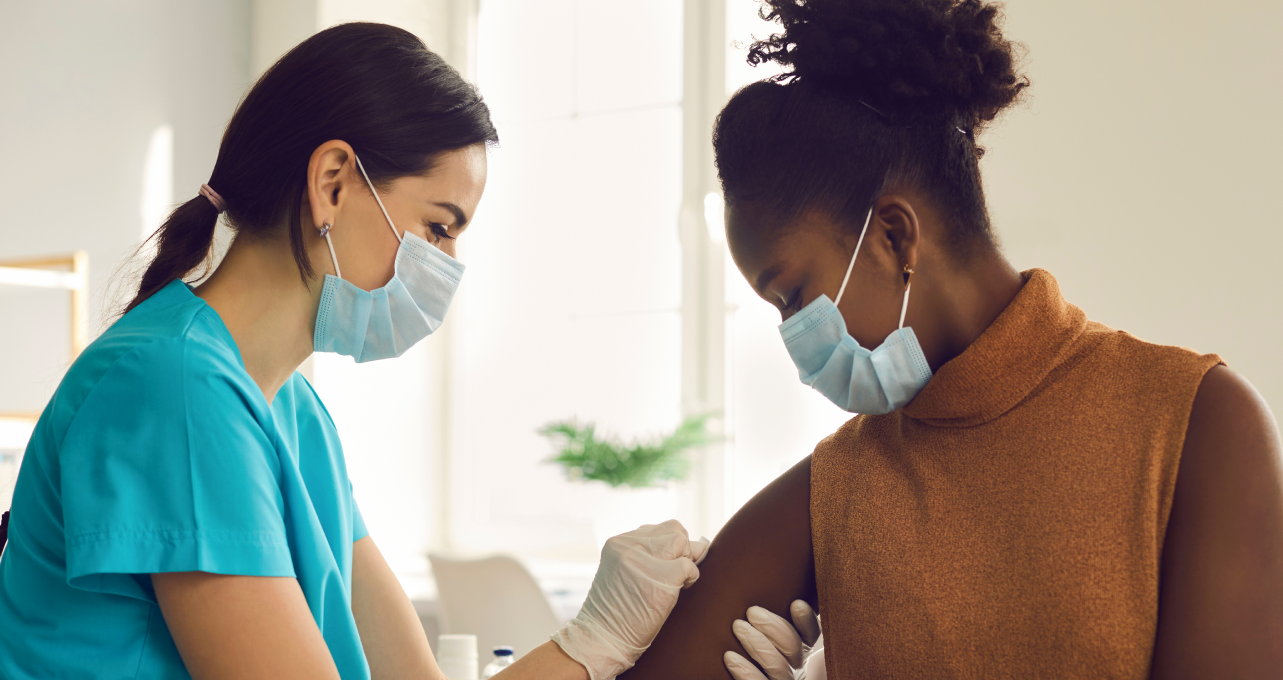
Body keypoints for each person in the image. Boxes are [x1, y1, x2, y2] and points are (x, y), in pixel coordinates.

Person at [0, 23, 707, 680]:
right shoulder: (173, 388)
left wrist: (605, 644)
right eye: (438, 228)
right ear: (332, 182)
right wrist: (587, 647)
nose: (449, 264)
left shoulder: (292, 410)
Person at [620, 0, 1283, 678]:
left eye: (792, 297)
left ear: (893, 236)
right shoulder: (838, 488)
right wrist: (589, 645)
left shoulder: (1196, 425)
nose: (793, 340)